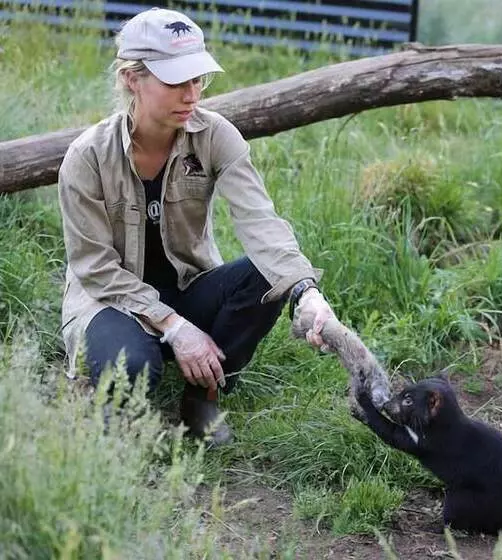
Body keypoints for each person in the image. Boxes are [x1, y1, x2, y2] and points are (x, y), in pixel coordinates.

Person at [57, 7, 335, 445]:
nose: (191, 95)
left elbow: (261, 221)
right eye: (175, 81)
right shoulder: (88, 156)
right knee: (131, 367)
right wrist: (174, 326)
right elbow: (93, 266)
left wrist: (308, 292)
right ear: (133, 79)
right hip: (110, 300)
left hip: (188, 285)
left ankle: (201, 397)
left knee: (269, 275)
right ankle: (114, 404)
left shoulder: (215, 135)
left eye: (198, 79)